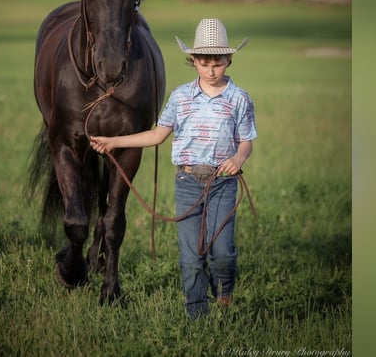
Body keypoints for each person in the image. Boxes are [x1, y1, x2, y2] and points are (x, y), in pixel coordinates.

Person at [90, 18, 257, 319]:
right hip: (188, 181)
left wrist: (239, 159)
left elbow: (246, 141)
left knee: (222, 253)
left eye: (217, 63)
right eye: (204, 63)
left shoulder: (239, 99)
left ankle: (224, 291)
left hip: (223, 182)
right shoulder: (180, 97)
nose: (211, 70)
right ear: (193, 60)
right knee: (191, 257)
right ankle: (198, 317)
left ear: (229, 59)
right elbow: (157, 134)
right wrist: (114, 142)